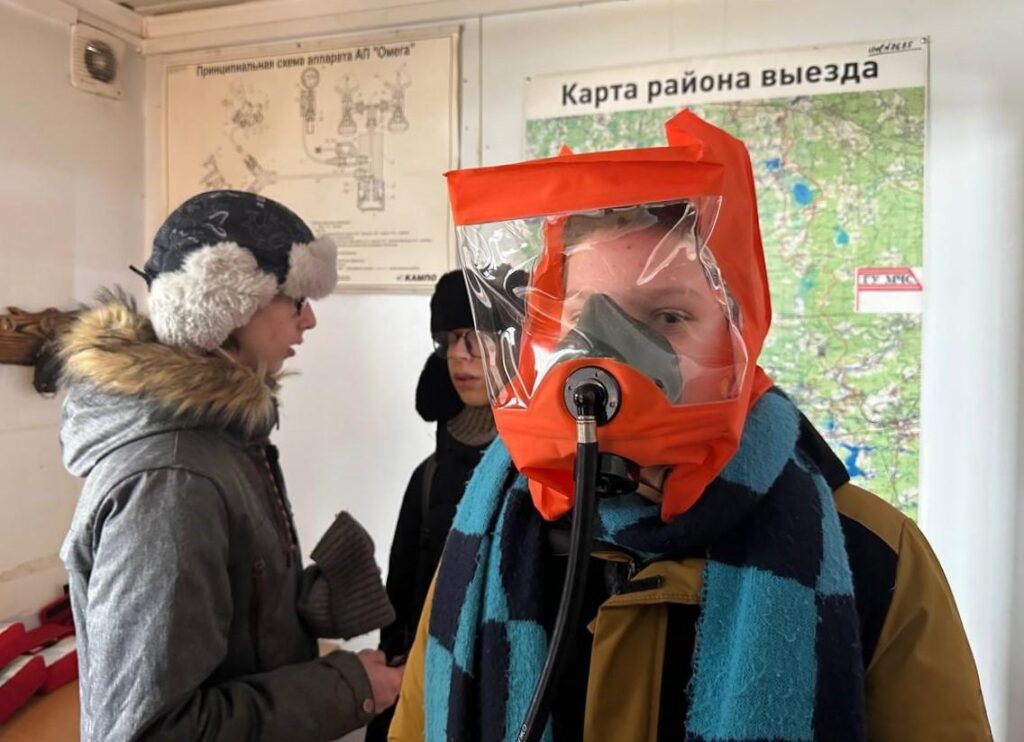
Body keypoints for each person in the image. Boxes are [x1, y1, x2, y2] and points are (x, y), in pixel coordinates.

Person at [388, 112, 991, 740]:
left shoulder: (868, 553)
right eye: (584, 317)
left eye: (668, 317)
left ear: (736, 341)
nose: (612, 353)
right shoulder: (490, 533)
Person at [58, 190, 403, 741]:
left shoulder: (221, 439)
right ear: (228, 304)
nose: (309, 320)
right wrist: (347, 686)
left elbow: (232, 612)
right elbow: (148, 732)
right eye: (295, 299)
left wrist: (314, 600)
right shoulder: (172, 482)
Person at [365, 270, 498, 742]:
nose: (459, 355)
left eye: (474, 339)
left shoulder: (544, 475)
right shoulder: (430, 475)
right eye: (447, 341)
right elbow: (400, 607)